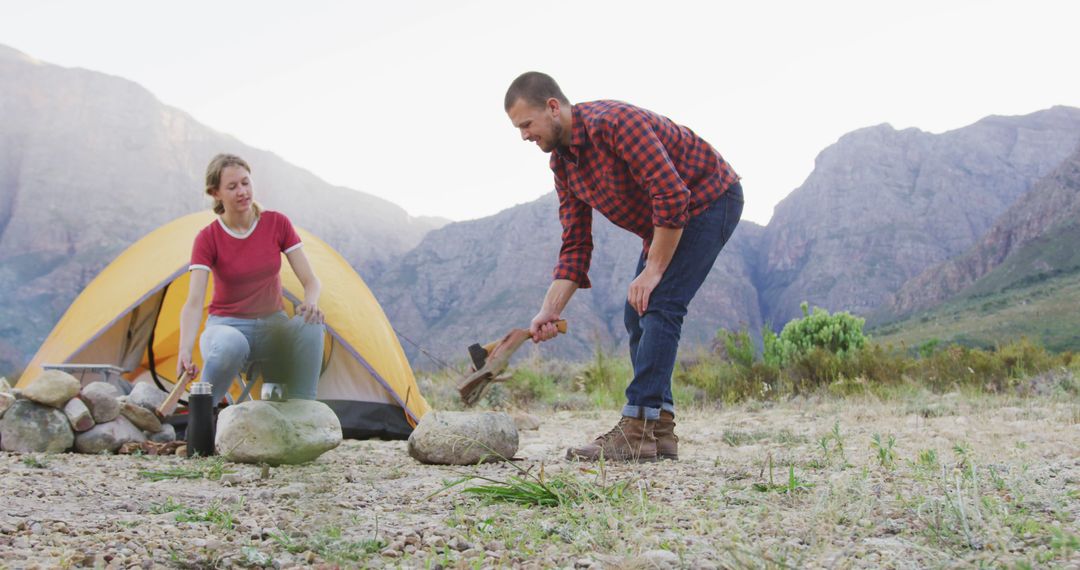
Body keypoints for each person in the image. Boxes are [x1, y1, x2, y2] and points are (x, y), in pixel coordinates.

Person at [505, 72, 744, 462]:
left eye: (526, 124)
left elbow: (672, 193)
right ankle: (659, 431)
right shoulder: (563, 167)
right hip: (664, 220)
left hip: (708, 198)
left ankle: (638, 428)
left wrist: (652, 271)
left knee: (661, 301)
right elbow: (576, 246)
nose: (524, 136)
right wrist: (549, 310)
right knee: (637, 314)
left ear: (552, 107)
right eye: (518, 129)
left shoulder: (616, 124)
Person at [177, 153, 326, 406]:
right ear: (216, 193)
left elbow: (311, 281)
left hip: (273, 329)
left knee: (312, 324)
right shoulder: (207, 238)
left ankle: (303, 412)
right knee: (230, 344)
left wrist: (310, 303)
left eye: (246, 183)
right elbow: (193, 302)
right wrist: (184, 350)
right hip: (227, 328)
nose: (242, 192)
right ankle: (202, 415)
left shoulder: (277, 223)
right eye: (232, 187)